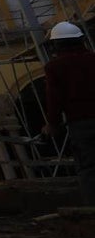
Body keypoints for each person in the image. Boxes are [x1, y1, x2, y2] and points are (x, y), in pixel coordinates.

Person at [41, 20, 95, 206]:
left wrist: (52, 124)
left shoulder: (54, 67)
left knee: (88, 167)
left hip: (81, 123)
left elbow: (54, 99)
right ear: (81, 40)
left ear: (56, 45)